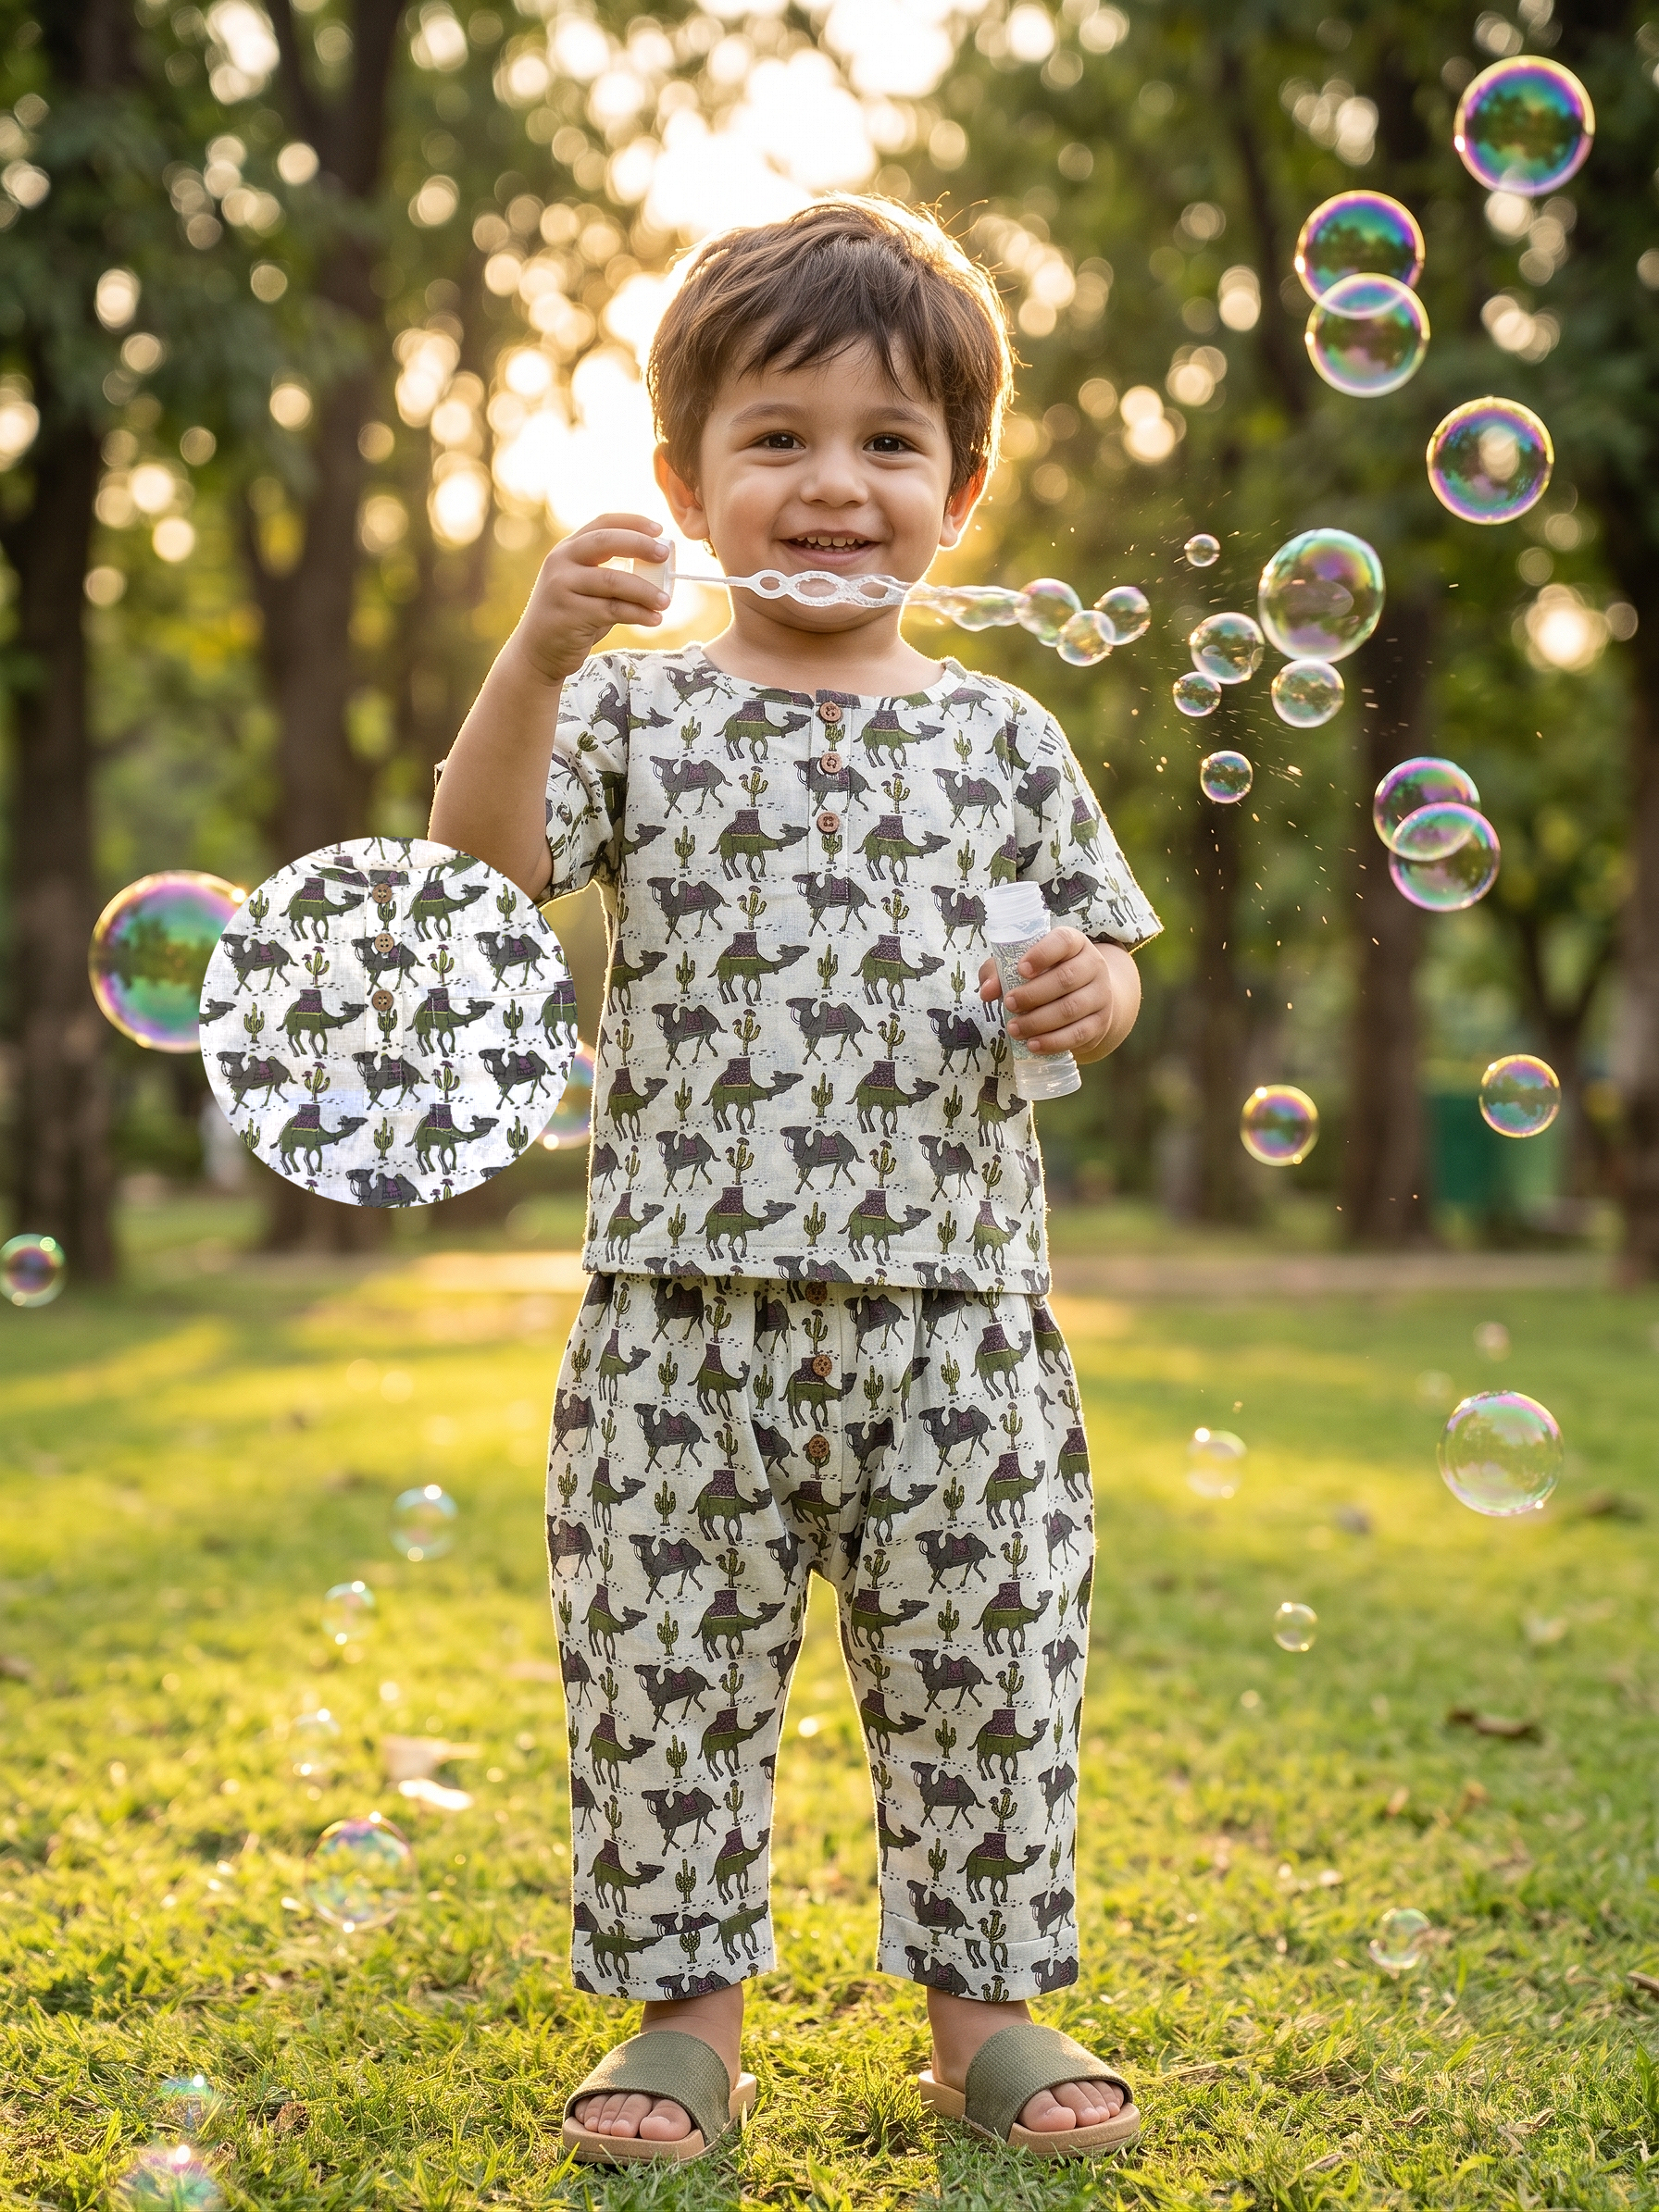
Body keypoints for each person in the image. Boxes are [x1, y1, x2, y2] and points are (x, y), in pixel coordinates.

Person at [430, 196, 1161, 2168]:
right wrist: (535, 648)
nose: (833, 483)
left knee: (988, 1670)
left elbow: (1102, 972)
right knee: (660, 1676)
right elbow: (482, 876)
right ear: (684, 482)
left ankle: (983, 2017)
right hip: (679, 1316)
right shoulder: (631, 706)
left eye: (887, 442)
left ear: (962, 492)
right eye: (776, 436)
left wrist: (1093, 991)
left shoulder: (1004, 734)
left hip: (962, 1321)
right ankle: (685, 2025)